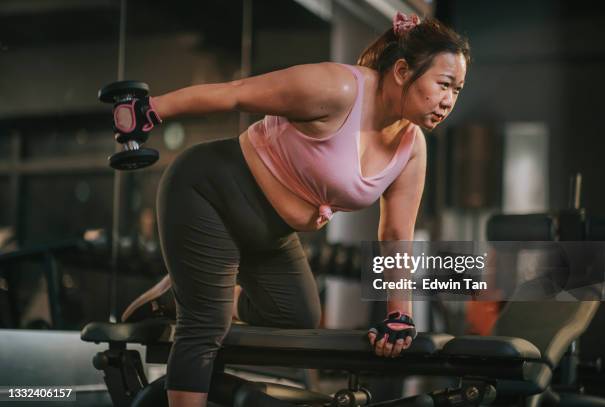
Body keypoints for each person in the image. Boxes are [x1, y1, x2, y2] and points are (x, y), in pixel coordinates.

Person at [115, 12, 469, 407]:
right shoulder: (337, 88)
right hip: (208, 193)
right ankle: (196, 303)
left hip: (271, 234)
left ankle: (178, 295)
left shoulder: (412, 146)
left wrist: (399, 316)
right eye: (444, 85)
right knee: (204, 326)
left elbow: (396, 234)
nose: (449, 101)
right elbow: (235, 93)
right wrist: (150, 110)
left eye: (458, 90)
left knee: (297, 315)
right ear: (403, 71)